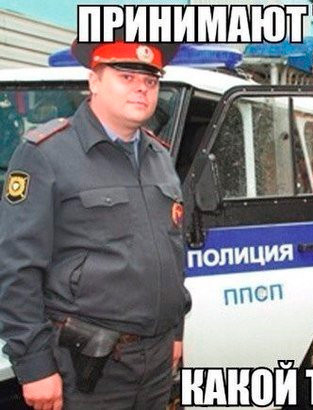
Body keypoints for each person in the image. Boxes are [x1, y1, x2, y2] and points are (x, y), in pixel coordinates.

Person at [0, 34, 190, 409]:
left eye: (150, 80)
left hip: (155, 360)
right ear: (94, 81)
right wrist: (34, 366)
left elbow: (171, 253)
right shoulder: (46, 154)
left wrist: (176, 332)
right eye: (126, 77)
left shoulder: (160, 156)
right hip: (86, 364)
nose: (141, 88)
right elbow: (16, 268)